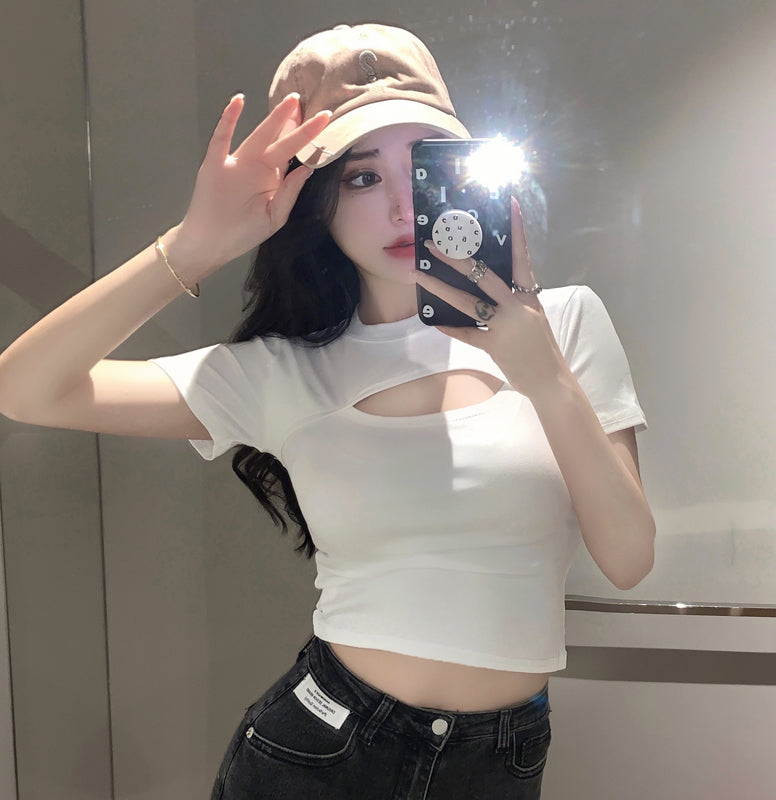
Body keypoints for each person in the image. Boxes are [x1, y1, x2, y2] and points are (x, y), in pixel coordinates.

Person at [0, 22, 655, 800]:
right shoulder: (285, 372)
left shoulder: (565, 323)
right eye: (362, 177)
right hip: (321, 756)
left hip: (500, 761)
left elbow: (628, 558)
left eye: (425, 165)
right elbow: (26, 388)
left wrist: (541, 373)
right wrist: (195, 244)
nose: (404, 205)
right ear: (317, 204)